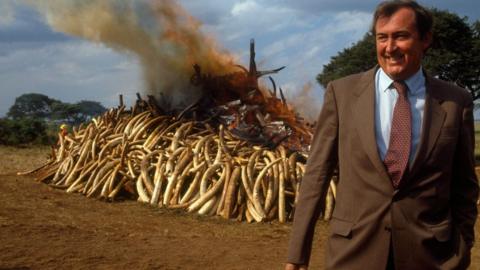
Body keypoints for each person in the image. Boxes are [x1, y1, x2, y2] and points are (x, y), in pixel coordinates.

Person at [285, 1, 478, 269]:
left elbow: (464, 184)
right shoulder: (341, 94)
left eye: (401, 36)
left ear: (425, 40)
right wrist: (297, 254)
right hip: (353, 253)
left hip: (432, 256)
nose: (390, 48)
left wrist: (462, 244)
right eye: (382, 37)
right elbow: (317, 175)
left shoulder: (456, 102)